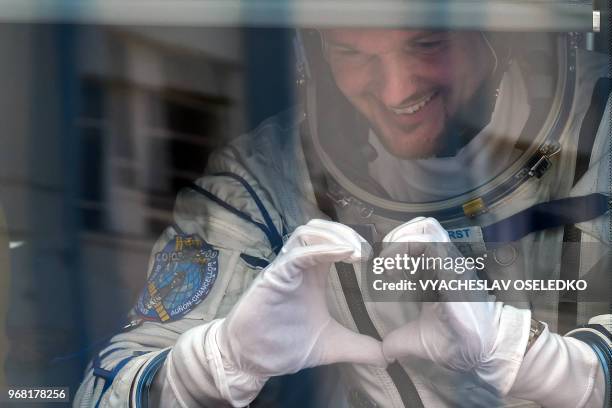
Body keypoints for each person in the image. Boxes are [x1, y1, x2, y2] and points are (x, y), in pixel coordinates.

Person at [74, 25, 611, 408]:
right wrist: (217, 363)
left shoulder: (602, 125)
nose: (398, 87)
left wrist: (554, 366)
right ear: (314, 54)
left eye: (427, 44)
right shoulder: (269, 176)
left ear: (493, 29)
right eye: (352, 52)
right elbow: (106, 388)